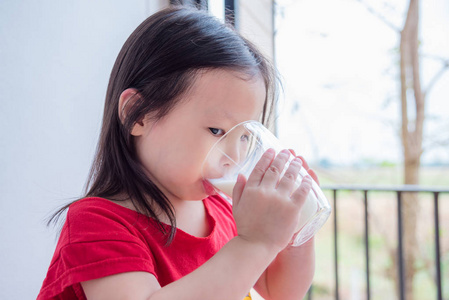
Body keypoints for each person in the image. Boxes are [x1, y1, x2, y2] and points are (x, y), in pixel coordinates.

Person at [37, 6, 318, 300]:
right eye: (216, 131)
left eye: (246, 136)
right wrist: (255, 242)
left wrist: (293, 231)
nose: (233, 154)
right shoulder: (98, 223)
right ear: (138, 114)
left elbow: (279, 291)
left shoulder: (225, 212)